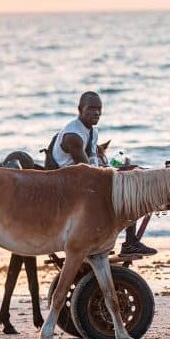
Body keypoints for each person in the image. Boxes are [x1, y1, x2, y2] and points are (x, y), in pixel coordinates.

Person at [52, 91, 157, 257]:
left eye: (99, 109)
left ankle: (130, 242)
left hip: (81, 178)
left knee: (130, 175)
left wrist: (115, 170)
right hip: (66, 183)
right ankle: (114, 241)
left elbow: (93, 160)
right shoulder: (73, 135)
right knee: (126, 190)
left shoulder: (92, 131)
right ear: (80, 109)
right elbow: (87, 171)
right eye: (91, 108)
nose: (96, 112)